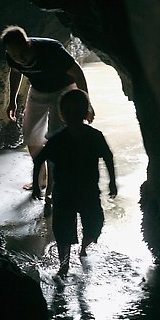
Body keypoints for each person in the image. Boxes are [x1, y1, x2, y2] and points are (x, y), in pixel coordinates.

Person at [0, 25, 95, 204]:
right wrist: (12, 100)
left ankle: (53, 188)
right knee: (31, 137)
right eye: (13, 56)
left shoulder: (51, 50)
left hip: (63, 90)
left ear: (28, 44)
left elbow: (77, 72)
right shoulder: (11, 56)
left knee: (55, 139)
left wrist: (86, 103)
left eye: (21, 54)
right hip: (38, 91)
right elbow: (15, 72)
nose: (19, 59)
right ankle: (42, 179)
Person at [32, 88, 117, 276]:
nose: (72, 115)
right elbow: (39, 159)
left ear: (86, 113)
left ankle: (84, 248)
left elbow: (108, 157)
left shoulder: (95, 136)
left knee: (95, 224)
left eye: (76, 111)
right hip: (64, 193)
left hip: (88, 191)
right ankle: (64, 266)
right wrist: (36, 187)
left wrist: (112, 182)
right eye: (68, 111)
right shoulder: (57, 140)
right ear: (62, 114)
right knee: (63, 231)